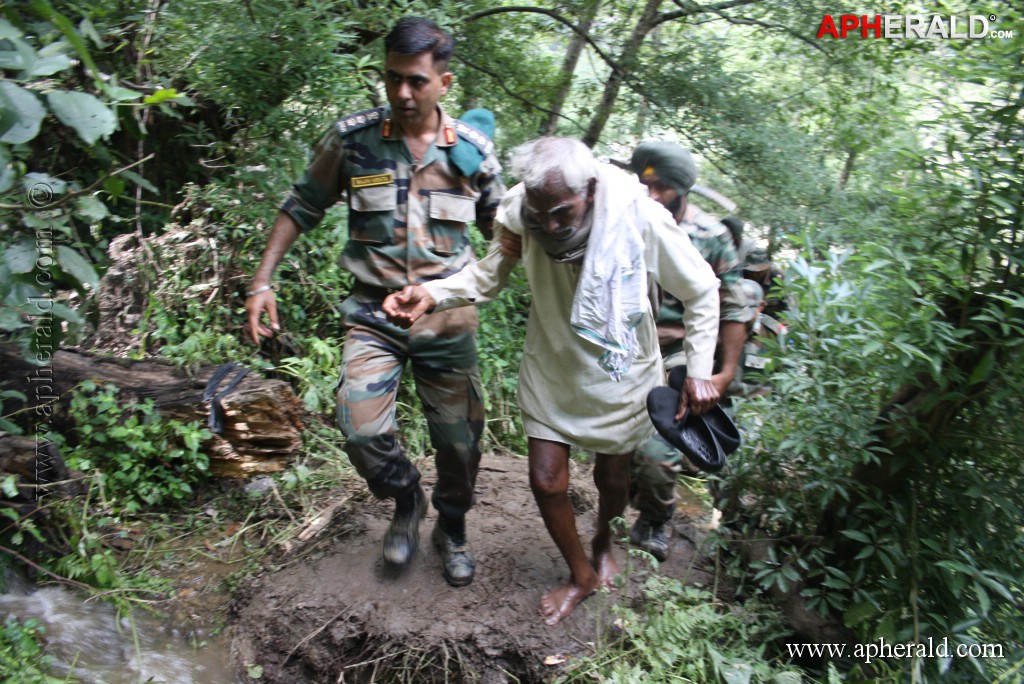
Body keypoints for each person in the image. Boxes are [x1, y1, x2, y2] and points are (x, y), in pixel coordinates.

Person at [382, 137, 721, 625]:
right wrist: (431, 293)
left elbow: (702, 289)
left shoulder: (638, 216)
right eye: (541, 216)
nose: (552, 226)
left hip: (619, 370)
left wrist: (701, 370)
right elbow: (488, 276)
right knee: (545, 480)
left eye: (562, 212)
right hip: (552, 365)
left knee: (611, 477)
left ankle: (604, 541)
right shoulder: (520, 212)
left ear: (589, 190)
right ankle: (580, 573)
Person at [244, 17, 506, 587]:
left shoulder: (473, 154)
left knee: (460, 444)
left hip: (446, 318)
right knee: (360, 429)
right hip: (373, 315)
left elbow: (507, 239)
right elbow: (301, 206)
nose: (402, 94)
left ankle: (452, 527)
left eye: (415, 81)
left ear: (445, 82)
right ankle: (406, 500)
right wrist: (262, 281)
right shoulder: (353, 140)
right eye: (392, 79)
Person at [625, 141, 747, 561]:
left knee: (657, 450)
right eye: (644, 185)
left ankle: (655, 519)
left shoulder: (711, 238)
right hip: (624, 349)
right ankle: (628, 497)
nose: (651, 196)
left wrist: (723, 373)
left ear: (681, 189)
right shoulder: (624, 220)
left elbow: (733, 306)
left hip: (678, 353)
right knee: (616, 445)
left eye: (661, 188)